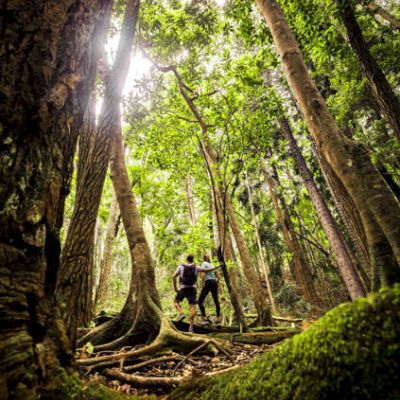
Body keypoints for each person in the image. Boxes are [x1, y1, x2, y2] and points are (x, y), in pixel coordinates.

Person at [173, 254, 218, 333]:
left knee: (176, 302)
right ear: (193, 260)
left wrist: (175, 288)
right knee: (192, 307)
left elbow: (173, 276)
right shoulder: (196, 267)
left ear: (187, 259)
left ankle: (181, 313)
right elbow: (206, 270)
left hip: (183, 288)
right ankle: (191, 327)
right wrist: (218, 266)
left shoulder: (181, 267)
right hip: (192, 289)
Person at [198, 254, 221, 325]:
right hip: (214, 282)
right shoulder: (212, 265)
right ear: (208, 258)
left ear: (204, 258)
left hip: (208, 282)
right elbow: (219, 276)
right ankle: (218, 319)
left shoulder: (204, 263)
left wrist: (202, 284)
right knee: (216, 300)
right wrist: (215, 282)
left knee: (200, 301)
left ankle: (204, 318)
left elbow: (203, 274)